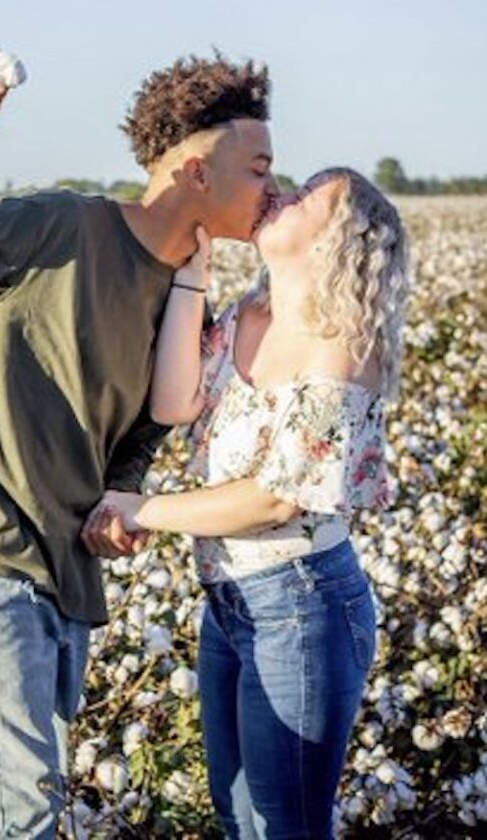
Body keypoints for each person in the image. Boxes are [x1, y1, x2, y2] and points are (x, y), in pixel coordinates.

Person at [0, 48, 279, 838]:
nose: (273, 188)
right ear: (196, 171)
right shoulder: (59, 226)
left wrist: (121, 504)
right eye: (258, 169)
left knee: (33, 798)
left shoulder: (186, 290)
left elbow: (141, 434)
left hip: (70, 572)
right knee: (22, 802)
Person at [95, 168, 409, 838]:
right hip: (229, 599)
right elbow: (174, 403)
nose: (282, 194)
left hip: (304, 603)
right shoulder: (247, 315)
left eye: (306, 197)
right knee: (237, 813)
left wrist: (140, 509)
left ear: (338, 240)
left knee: (285, 824)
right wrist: (193, 278)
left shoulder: (344, 346)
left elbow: (275, 499)